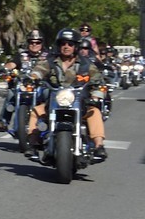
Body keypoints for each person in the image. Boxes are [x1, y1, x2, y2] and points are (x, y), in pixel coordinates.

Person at [27, 27, 106, 161]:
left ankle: (99, 146)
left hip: (80, 102)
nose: (66, 46)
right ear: (58, 45)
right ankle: (33, 144)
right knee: (36, 111)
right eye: (63, 43)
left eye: (70, 44)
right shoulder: (51, 62)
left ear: (76, 46)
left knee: (95, 112)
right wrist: (32, 77)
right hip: (55, 102)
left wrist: (96, 94)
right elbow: (39, 70)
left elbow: (99, 81)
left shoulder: (86, 65)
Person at [0, 30, 44, 132]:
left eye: (37, 42)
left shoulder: (47, 55)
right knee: (11, 92)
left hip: (42, 85)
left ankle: (49, 124)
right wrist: (5, 69)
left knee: (50, 95)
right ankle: (3, 122)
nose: (34, 44)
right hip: (25, 84)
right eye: (31, 42)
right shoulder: (22, 55)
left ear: (42, 43)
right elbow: (12, 64)